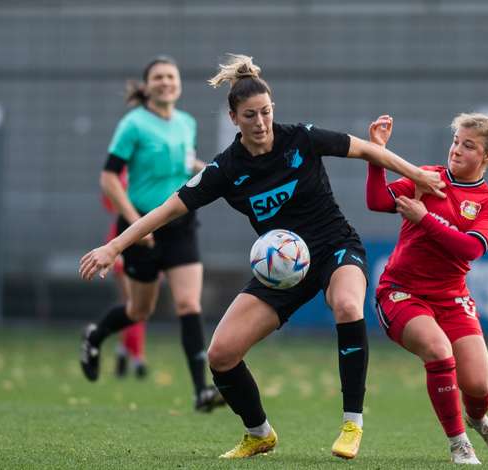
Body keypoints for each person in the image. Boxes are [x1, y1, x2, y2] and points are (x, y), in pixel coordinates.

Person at [80, 54, 446, 460]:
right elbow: (168, 209)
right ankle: (259, 434)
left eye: (266, 112)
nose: (260, 122)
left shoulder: (301, 138)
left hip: (335, 247)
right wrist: (114, 246)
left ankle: (351, 423)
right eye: (250, 115)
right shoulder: (226, 169)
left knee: (346, 304)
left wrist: (415, 174)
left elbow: (365, 150)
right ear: (233, 118)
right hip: (282, 270)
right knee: (221, 354)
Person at [366, 113, 488, 464]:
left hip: (452, 297)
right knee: (438, 350)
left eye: (468, 146)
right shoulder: (427, 178)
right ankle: (459, 443)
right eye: (455, 141)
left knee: (479, 386)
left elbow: (470, 248)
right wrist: (376, 155)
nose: (456, 150)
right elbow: (378, 201)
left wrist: (425, 218)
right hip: (401, 291)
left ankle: (477, 419)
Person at [78, 55, 224, 411]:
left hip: (181, 225)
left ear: (179, 84)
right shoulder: (133, 124)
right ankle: (95, 335)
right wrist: (134, 223)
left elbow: (184, 164)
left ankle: (201, 391)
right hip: (141, 226)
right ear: (147, 86)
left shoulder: (186, 123)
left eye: (171, 77)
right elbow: (109, 179)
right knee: (139, 310)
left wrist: (215, 172)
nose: (166, 82)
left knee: (188, 304)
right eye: (158, 77)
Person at [100, 167, 148, 379]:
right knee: (135, 305)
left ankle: (124, 351)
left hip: (142, 240)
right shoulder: (123, 172)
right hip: (124, 242)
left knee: (135, 305)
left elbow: (108, 203)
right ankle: (137, 357)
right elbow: (109, 201)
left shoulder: (128, 171)